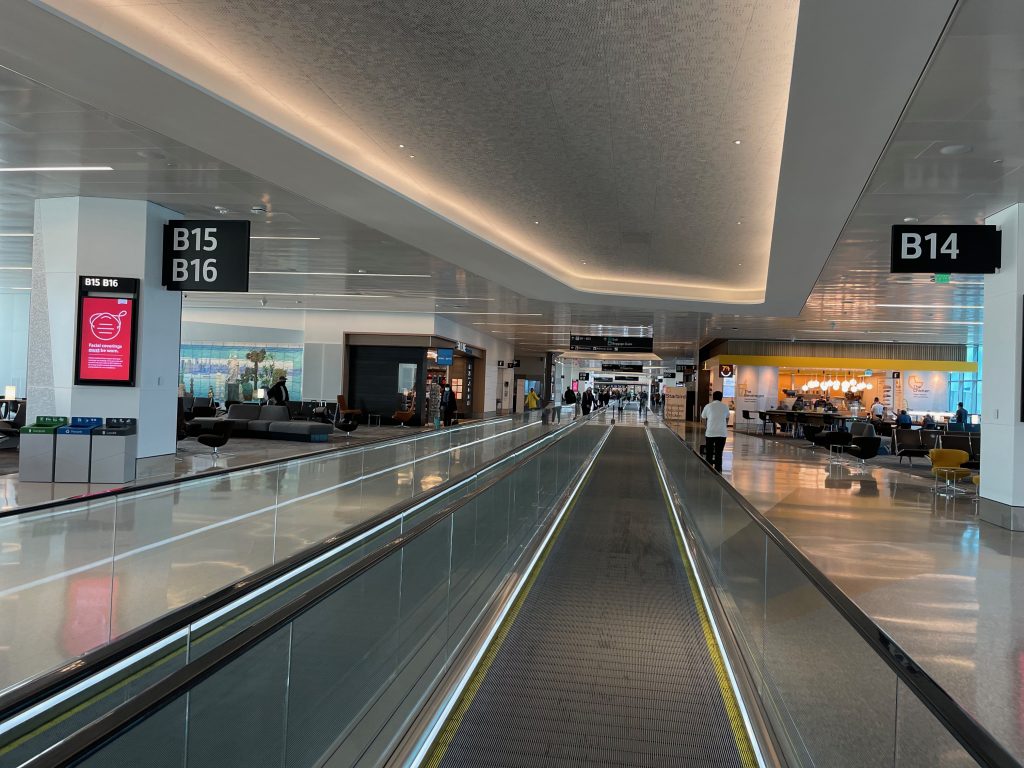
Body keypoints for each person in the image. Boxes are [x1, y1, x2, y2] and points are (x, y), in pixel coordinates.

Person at [701, 391, 730, 473]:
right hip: (722, 433)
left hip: (710, 433)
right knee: (719, 453)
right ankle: (718, 470)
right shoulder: (725, 406)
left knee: (709, 453)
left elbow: (703, 418)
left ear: (713, 397)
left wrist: (706, 426)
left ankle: (708, 469)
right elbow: (727, 418)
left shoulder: (708, 406)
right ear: (721, 398)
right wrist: (725, 425)